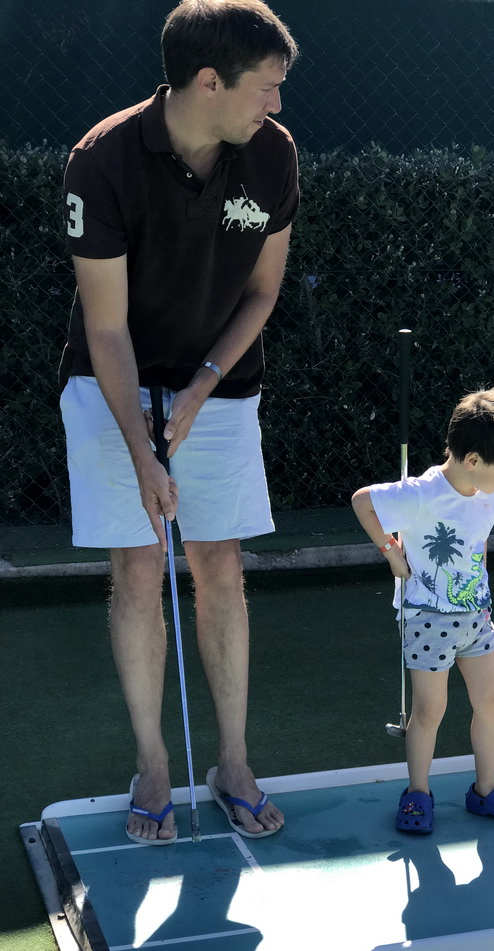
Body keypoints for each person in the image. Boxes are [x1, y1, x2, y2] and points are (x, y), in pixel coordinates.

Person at [59, 0, 300, 844]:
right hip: (112, 383)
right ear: (209, 81)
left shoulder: (272, 157)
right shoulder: (103, 159)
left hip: (221, 385)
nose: (275, 105)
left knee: (220, 566)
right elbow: (107, 327)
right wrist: (142, 451)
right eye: (266, 88)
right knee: (137, 568)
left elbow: (263, 291)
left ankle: (232, 761)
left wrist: (201, 388)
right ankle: (154, 764)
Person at [351, 384, 494, 834]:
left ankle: (486, 790)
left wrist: (484, 594)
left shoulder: (487, 493)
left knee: (491, 699)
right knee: (430, 710)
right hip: (427, 618)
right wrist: (390, 553)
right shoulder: (420, 493)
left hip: (476, 617)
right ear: (473, 460)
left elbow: (478, 543)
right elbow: (363, 501)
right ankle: (418, 792)